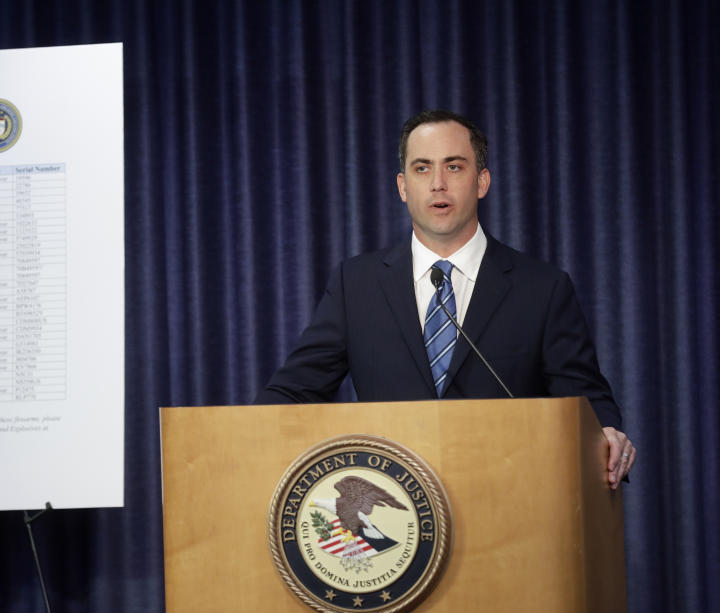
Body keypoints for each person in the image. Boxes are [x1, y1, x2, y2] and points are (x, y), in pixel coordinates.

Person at [255, 109, 636, 490]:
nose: (438, 183)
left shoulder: (542, 288)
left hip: (509, 502)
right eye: (422, 169)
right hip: (397, 509)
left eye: (454, 167)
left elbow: (587, 401)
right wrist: (238, 436)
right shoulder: (357, 285)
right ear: (403, 187)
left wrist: (607, 433)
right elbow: (295, 391)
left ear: (482, 181)